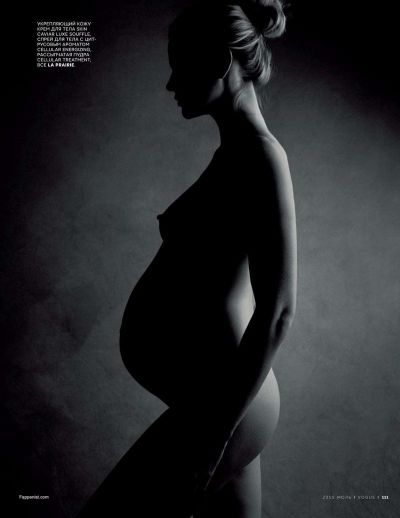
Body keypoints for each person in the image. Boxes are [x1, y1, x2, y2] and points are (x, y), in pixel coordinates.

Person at [78, 1, 297, 517]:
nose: (171, 83)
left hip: (225, 408)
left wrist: (215, 434)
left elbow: (279, 311)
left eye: (181, 66)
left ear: (220, 61)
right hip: (221, 405)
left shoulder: (261, 156)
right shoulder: (235, 154)